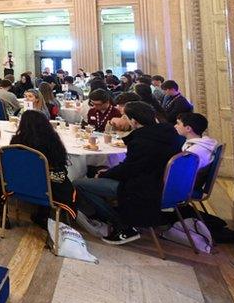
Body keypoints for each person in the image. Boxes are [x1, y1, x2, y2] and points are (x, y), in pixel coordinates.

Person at [73, 101, 183, 244]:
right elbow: (135, 165)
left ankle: (121, 222)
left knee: (79, 183)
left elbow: (129, 169)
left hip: (142, 187)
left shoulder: (142, 140)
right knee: (101, 171)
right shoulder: (169, 133)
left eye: (125, 117)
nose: (123, 119)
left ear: (134, 121)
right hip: (167, 184)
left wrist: (105, 174)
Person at [9, 110, 75, 229]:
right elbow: (60, 163)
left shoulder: (17, 142)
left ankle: (0, 213)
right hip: (47, 187)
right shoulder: (52, 141)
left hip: (21, 184)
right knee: (52, 174)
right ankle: (43, 214)